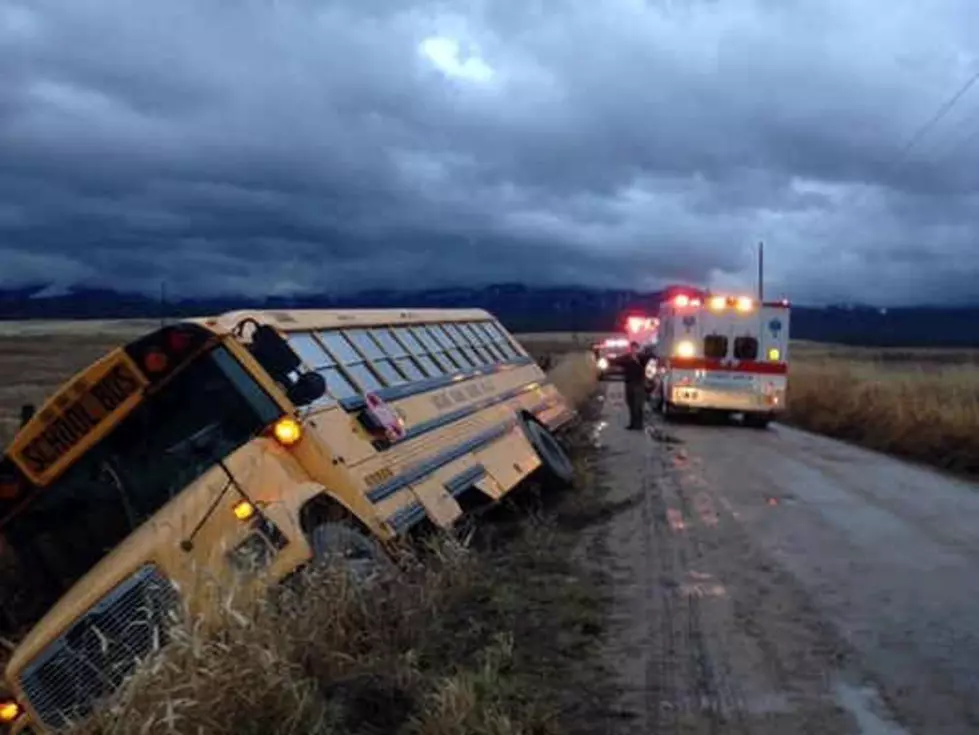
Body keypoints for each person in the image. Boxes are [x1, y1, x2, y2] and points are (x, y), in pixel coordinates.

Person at [613, 341, 652, 430]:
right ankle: (633, 424)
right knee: (631, 405)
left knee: (638, 405)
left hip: (639, 384)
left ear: (637, 349)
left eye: (635, 348)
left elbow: (651, 356)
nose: (633, 350)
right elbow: (616, 361)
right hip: (629, 383)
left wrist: (641, 354)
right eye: (632, 348)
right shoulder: (627, 358)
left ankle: (639, 424)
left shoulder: (642, 358)